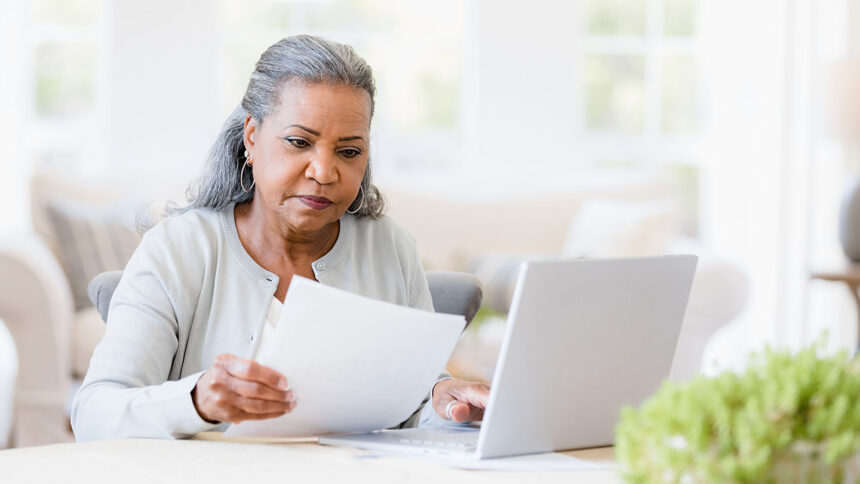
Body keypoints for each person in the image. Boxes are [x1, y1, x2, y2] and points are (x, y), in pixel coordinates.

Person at [71, 34, 489, 441]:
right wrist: (196, 402)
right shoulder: (178, 248)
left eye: (349, 151)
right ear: (251, 136)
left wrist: (443, 403)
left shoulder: (389, 247)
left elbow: (412, 407)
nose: (324, 172)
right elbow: (94, 413)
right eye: (298, 142)